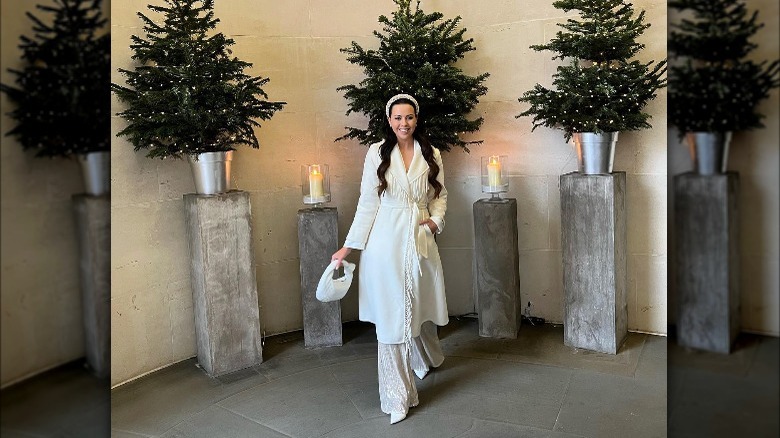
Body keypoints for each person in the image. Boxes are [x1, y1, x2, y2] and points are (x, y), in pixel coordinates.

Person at [331, 93, 449, 425]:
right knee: (392, 315)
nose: (403, 123)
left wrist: (435, 221)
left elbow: (440, 195)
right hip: (385, 241)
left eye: (409, 117)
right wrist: (349, 246)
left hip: (419, 238)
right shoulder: (377, 153)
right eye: (397, 118)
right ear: (389, 120)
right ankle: (396, 395)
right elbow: (368, 202)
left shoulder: (431, 153)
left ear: (416, 118)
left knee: (417, 304)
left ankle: (424, 358)